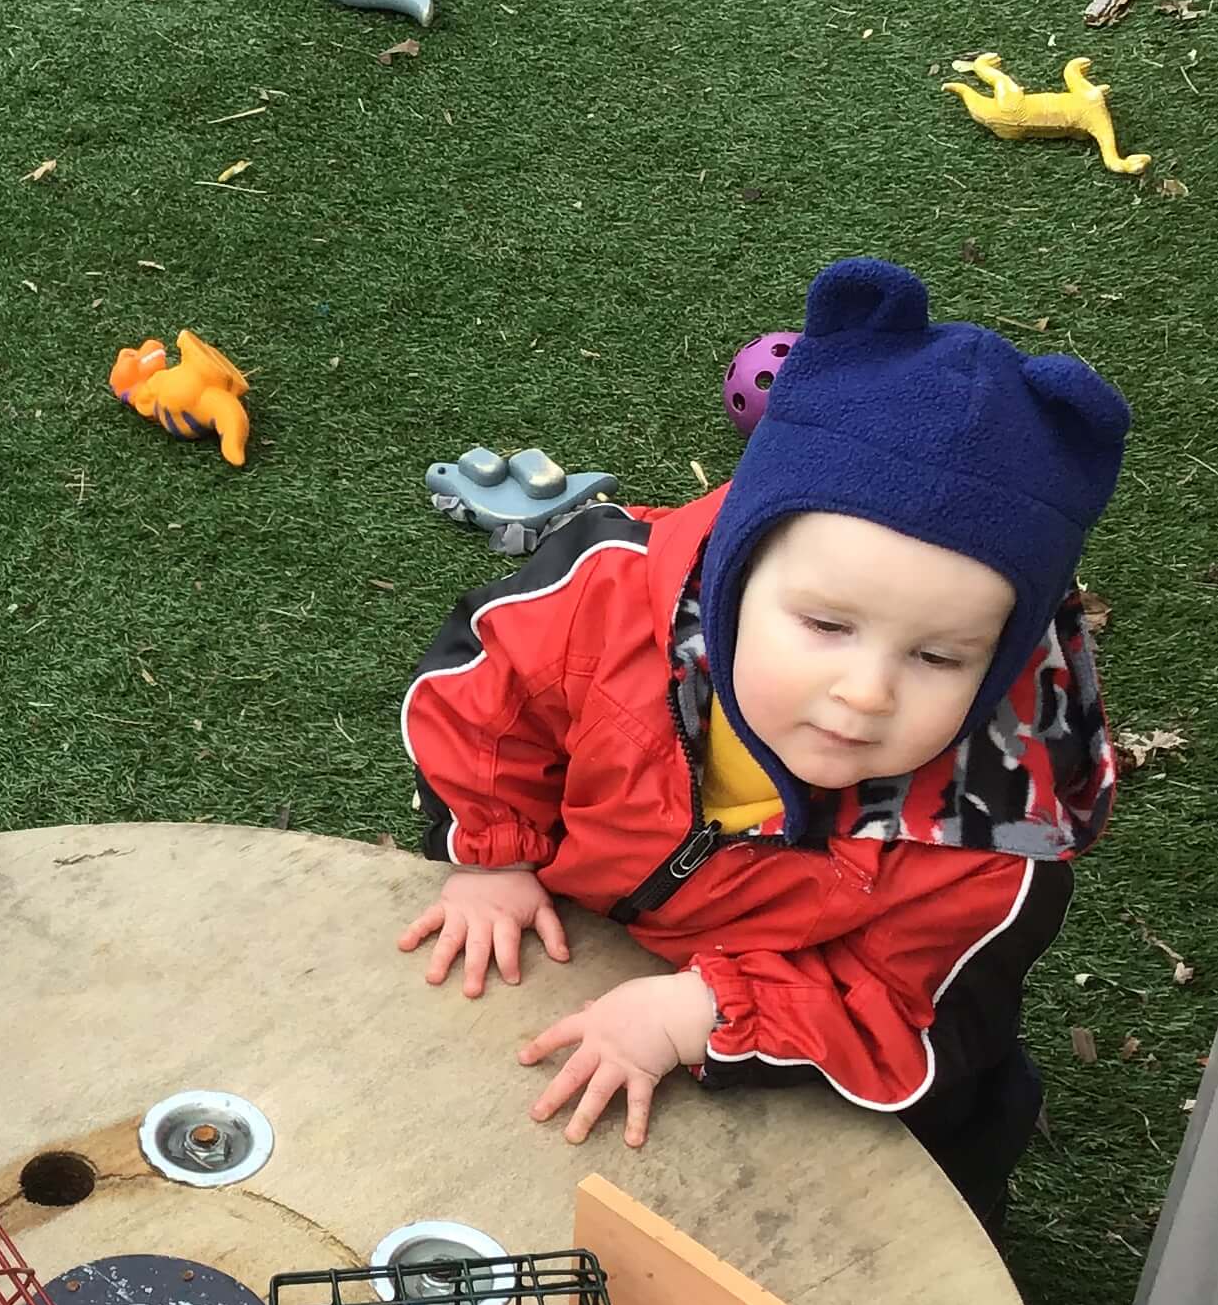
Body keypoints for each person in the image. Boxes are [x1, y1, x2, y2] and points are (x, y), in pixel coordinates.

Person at [396, 257, 1128, 1235]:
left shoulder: (991, 839)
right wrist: (495, 858)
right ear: (735, 574)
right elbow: (488, 696)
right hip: (588, 947)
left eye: (939, 656)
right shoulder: (607, 600)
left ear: (1001, 660)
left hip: (816, 1072)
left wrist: (703, 1010)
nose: (866, 693)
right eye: (826, 625)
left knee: (892, 1228)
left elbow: (909, 1011)